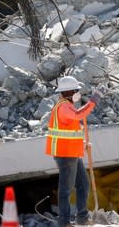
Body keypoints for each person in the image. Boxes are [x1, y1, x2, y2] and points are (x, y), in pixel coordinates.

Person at [45, 76, 106, 227]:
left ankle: (82, 218)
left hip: (72, 152)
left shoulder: (67, 106)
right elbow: (80, 115)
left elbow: (70, 131)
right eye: (75, 90)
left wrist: (83, 143)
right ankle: (64, 222)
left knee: (83, 184)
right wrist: (94, 100)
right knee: (65, 190)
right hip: (65, 154)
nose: (77, 93)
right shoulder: (64, 106)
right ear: (68, 92)